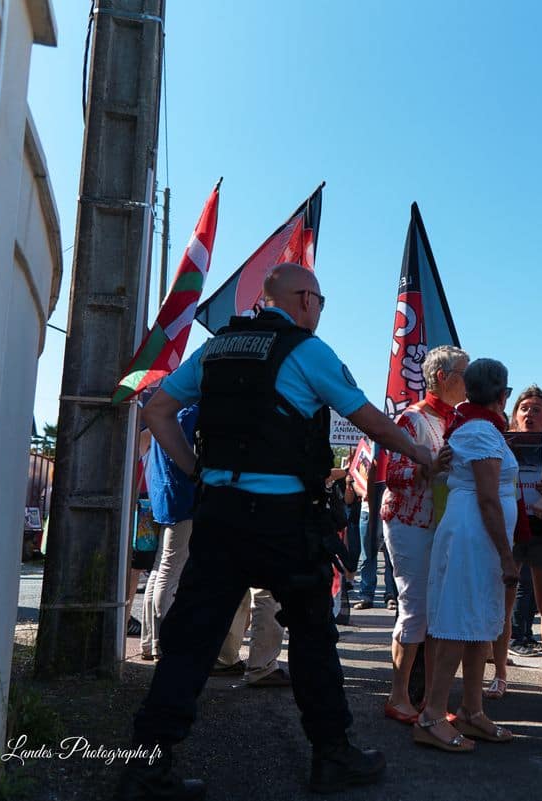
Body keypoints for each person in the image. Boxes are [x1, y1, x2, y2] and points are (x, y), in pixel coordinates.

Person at [116, 263, 435, 800]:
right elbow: (370, 421)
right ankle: (331, 755)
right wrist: (422, 453)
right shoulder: (308, 352)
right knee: (312, 636)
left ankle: (146, 768)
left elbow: (158, 408)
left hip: (221, 514)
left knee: (191, 642)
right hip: (287, 518)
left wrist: (195, 471)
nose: (320, 311)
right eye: (321, 302)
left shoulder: (217, 349)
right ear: (305, 300)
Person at [417, 358, 520, 752]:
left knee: (479, 623)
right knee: (459, 621)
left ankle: (472, 711)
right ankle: (431, 716)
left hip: (478, 534)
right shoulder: (480, 431)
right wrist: (507, 556)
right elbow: (489, 499)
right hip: (473, 533)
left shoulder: (476, 428)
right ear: (500, 394)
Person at [380, 345, 469, 724]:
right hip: (408, 523)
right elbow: (393, 476)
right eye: (465, 373)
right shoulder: (412, 419)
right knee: (415, 608)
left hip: (438, 523)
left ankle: (431, 701)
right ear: (442, 378)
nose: (470, 380)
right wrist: (429, 468)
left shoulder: (456, 420)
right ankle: (399, 697)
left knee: (436, 614)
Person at [490, 385, 542, 699]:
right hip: (511, 530)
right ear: (515, 415)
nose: (529, 414)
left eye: (536, 409)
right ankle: (500, 675)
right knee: (503, 607)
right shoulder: (503, 444)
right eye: (524, 408)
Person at [142, 404, 200, 662]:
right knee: (170, 569)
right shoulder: (190, 414)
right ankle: (162, 642)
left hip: (165, 495)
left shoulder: (174, 411)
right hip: (183, 498)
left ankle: (150, 641)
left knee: (160, 568)